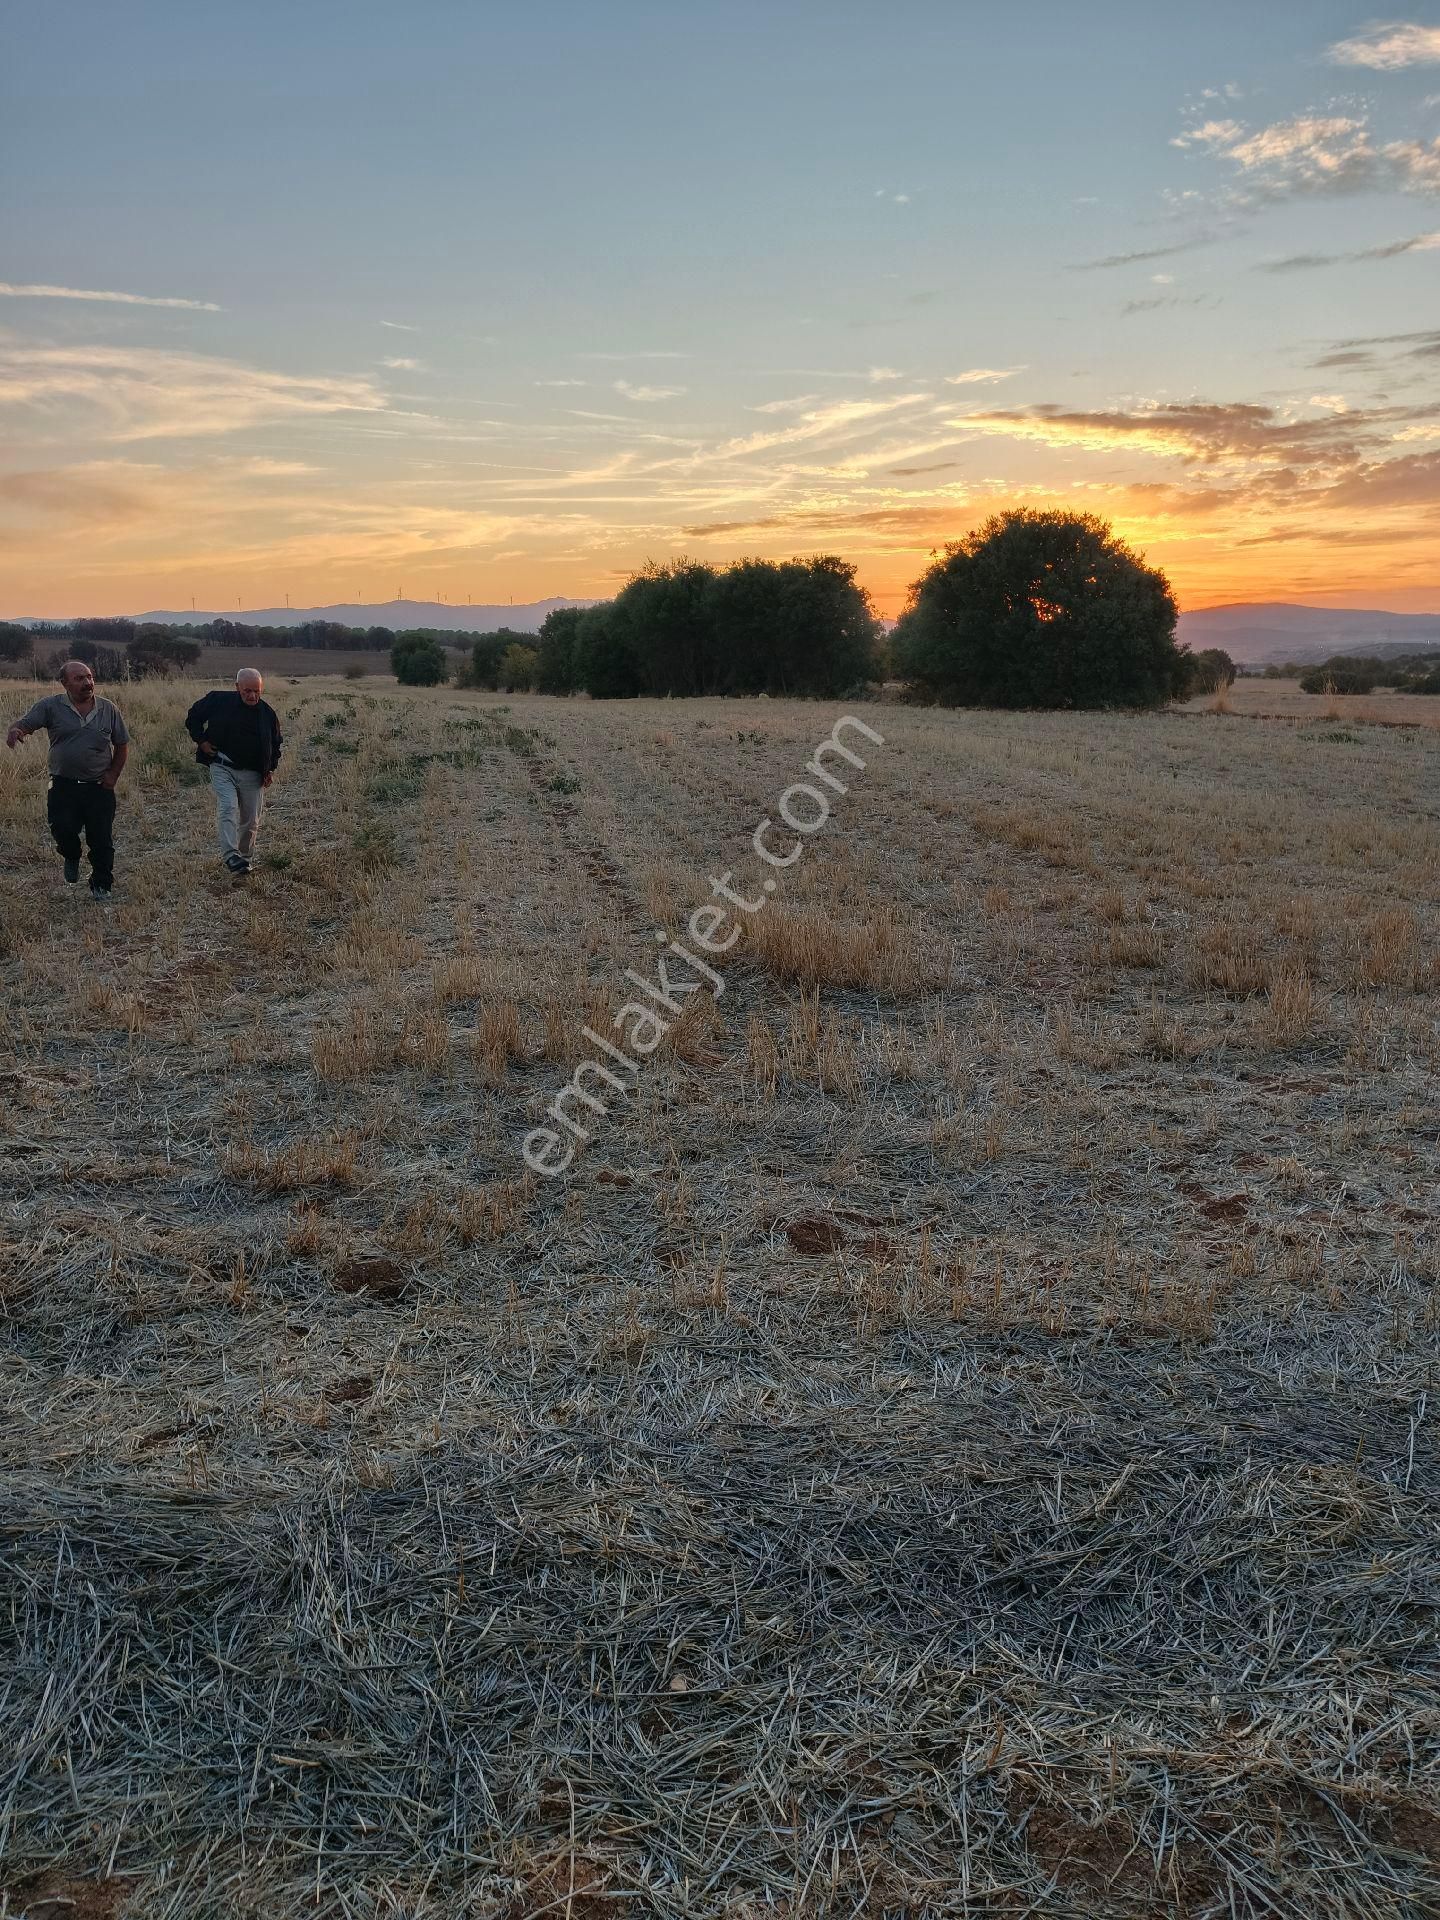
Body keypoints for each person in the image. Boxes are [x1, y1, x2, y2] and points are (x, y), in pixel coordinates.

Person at [6, 659, 130, 900]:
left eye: (89, 677)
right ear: (64, 683)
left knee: (101, 839)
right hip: (63, 785)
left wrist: (113, 774)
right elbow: (25, 724)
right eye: (79, 678)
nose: (87, 683)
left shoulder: (108, 709)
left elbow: (122, 744)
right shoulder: (50, 707)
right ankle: (71, 855)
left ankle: (101, 884)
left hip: (99, 787)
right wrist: (16, 731)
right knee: (62, 830)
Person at [184, 668, 283, 876]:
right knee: (228, 807)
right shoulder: (217, 700)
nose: (252, 696)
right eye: (247, 691)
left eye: (257, 691)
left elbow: (275, 744)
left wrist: (270, 768)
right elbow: (192, 717)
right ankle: (230, 855)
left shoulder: (267, 714)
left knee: (251, 819)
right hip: (222, 765)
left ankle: (244, 860)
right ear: (237, 687)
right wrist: (201, 741)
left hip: (253, 773)